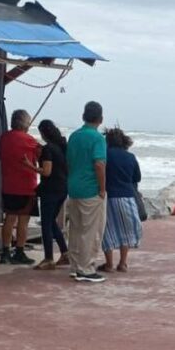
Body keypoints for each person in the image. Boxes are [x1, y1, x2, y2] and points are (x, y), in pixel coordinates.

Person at [65, 101, 108, 283]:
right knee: (91, 231)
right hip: (90, 189)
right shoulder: (97, 138)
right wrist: (102, 189)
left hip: (74, 187)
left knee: (75, 229)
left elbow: (69, 161)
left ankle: (75, 266)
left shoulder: (74, 136)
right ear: (100, 118)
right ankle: (86, 268)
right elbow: (99, 164)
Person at [99, 127, 143, 272]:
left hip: (109, 197)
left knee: (107, 230)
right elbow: (137, 178)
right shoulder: (130, 157)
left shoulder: (105, 155)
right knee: (126, 230)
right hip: (128, 197)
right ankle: (123, 263)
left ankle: (109, 264)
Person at [0, 109, 40, 264]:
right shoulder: (30, 141)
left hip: (7, 185)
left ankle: (5, 252)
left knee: (9, 219)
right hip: (26, 186)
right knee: (23, 221)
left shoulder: (4, 138)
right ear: (26, 123)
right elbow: (41, 155)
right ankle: (20, 251)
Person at [31, 120, 69, 270]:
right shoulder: (61, 148)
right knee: (51, 221)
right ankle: (65, 253)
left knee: (46, 224)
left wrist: (29, 165)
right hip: (62, 188)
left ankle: (48, 258)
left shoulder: (48, 149)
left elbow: (46, 171)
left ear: (44, 133)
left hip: (50, 190)